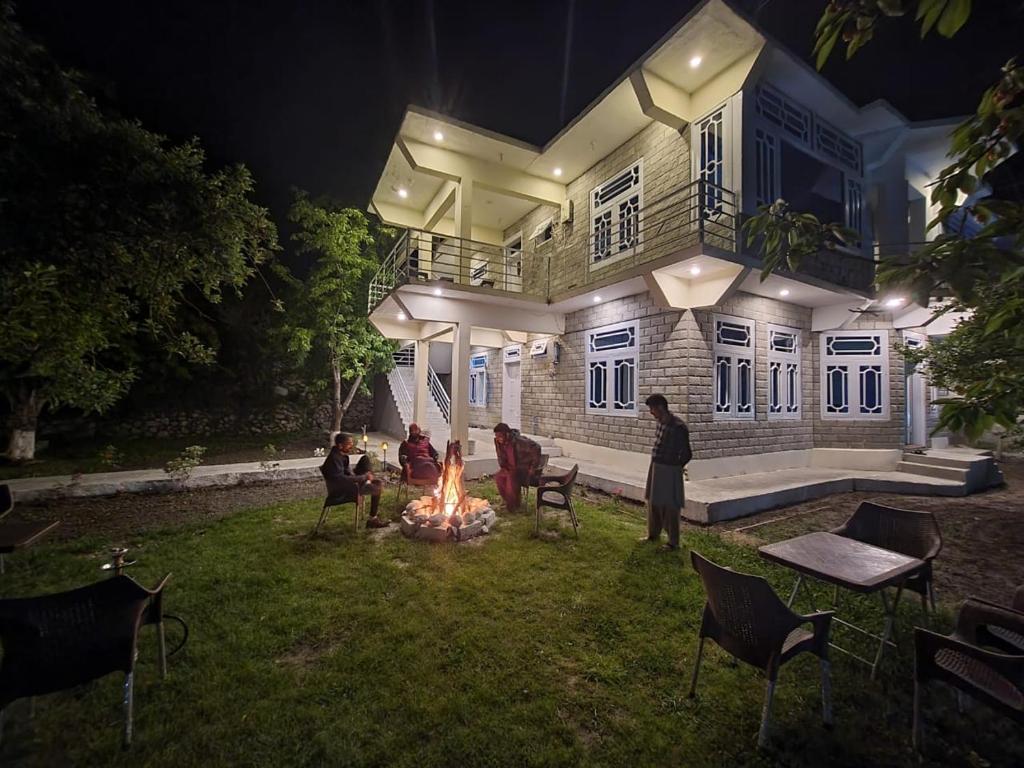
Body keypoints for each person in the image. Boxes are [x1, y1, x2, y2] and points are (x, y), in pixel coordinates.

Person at [642, 394, 692, 551]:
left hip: (670, 469)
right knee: (653, 502)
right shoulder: (659, 422)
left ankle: (673, 542)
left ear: (661, 407)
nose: (651, 412)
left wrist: (676, 466)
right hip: (656, 466)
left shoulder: (678, 426)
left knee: (670, 506)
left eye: (652, 409)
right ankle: (653, 534)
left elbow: (687, 453)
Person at [321, 432, 388, 528]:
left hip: (351, 480)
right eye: (349, 444)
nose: (351, 446)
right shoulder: (334, 459)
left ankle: (367, 481)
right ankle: (372, 519)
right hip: (344, 490)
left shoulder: (340, 454)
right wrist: (363, 477)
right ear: (340, 445)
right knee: (377, 486)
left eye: (352, 443)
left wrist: (358, 475)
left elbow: (347, 472)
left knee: (365, 459)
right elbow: (342, 479)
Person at [493, 422, 543, 512]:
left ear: (507, 434)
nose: (498, 438)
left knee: (511, 478)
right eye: (496, 436)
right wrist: (503, 465)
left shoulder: (520, 441)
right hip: (509, 467)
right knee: (498, 477)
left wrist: (533, 468)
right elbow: (501, 456)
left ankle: (513, 506)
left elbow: (537, 447)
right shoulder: (498, 442)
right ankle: (508, 501)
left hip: (522, 469)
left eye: (500, 436)